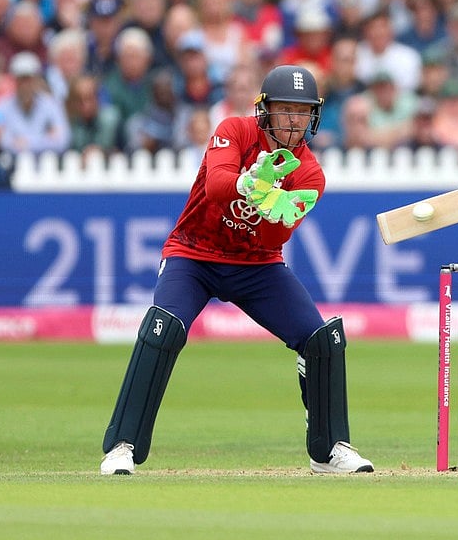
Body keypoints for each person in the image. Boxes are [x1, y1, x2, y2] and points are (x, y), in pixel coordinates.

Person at [100, 65, 374, 476]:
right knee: (164, 329)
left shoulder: (310, 173)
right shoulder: (235, 129)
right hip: (193, 255)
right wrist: (251, 183)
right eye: (285, 110)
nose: (294, 121)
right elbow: (216, 187)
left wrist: (273, 207)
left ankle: (329, 448)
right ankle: (122, 446)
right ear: (265, 111)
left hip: (256, 265)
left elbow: (271, 238)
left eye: (302, 112)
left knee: (322, 339)